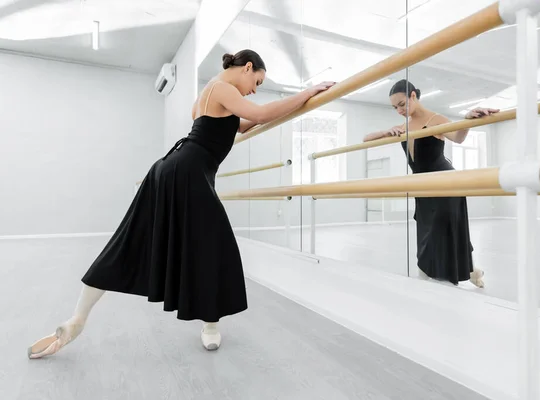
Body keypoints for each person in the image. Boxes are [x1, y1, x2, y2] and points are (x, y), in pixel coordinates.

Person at [27, 49, 335, 359]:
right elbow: (260, 114)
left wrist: (289, 108)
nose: (255, 89)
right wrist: (307, 93)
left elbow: (241, 125)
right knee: (214, 246)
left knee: (130, 242)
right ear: (248, 67)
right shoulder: (222, 87)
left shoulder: (209, 95)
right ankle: (211, 325)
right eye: (257, 81)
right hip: (187, 171)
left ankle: (77, 319)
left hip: (170, 168)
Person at [363, 79, 499, 288]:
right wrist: (386, 132)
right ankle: (469, 271)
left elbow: (458, 137)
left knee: (441, 229)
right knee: (428, 231)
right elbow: (366, 139)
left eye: (402, 104)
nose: (399, 110)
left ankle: (456, 273)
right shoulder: (404, 127)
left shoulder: (436, 120)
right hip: (422, 186)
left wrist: (467, 121)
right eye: (395, 107)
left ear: (413, 96)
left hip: (445, 183)